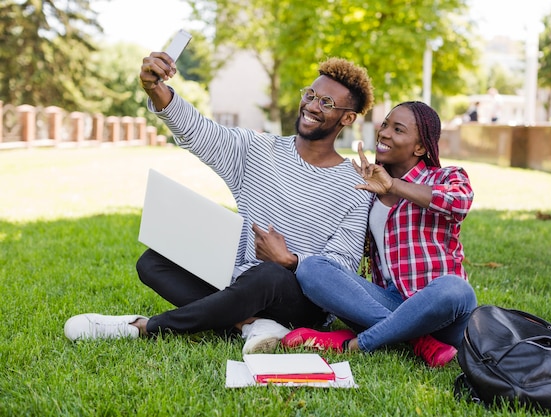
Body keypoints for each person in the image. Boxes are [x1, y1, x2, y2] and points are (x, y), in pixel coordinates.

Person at [64, 54, 375, 354]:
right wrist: (157, 90)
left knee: (269, 274)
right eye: (310, 94)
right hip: (239, 280)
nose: (311, 105)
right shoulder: (257, 150)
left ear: (347, 118)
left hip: (299, 302)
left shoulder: (356, 185)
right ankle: (249, 325)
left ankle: (142, 327)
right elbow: (200, 131)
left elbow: (344, 266)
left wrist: (290, 260)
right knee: (153, 263)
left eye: (326, 102)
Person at [282, 101, 477, 367]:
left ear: (420, 147)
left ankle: (354, 343)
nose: (384, 133)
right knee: (311, 268)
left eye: (398, 129)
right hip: (391, 301)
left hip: (440, 309)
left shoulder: (444, 176)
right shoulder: (370, 191)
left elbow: (459, 202)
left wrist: (395, 186)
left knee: (456, 288)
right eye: (384, 124)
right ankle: (418, 342)